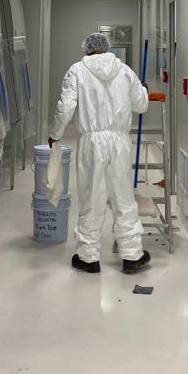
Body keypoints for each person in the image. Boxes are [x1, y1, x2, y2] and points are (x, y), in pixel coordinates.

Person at [49, 32, 150, 274]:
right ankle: (132, 255)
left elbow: (66, 107)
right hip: (119, 142)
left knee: (91, 198)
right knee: (123, 198)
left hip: (91, 143)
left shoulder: (77, 70)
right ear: (107, 48)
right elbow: (141, 105)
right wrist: (143, 90)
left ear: (87, 49)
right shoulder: (125, 70)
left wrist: (55, 133)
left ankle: (88, 257)